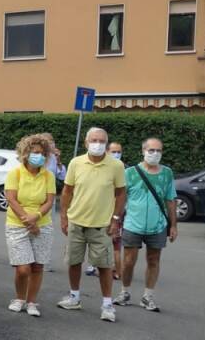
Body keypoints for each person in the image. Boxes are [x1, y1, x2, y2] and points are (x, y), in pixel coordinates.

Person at [56, 127, 127, 322]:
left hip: (102, 226)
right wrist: (64, 217)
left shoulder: (116, 166)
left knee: (105, 266)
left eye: (102, 141)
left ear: (106, 143)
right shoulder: (76, 163)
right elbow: (67, 191)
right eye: (94, 140)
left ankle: (107, 304)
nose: (98, 144)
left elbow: (121, 193)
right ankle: (74, 296)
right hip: (76, 222)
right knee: (73, 262)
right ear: (86, 143)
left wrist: (115, 219)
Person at [117, 137, 177, 312]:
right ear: (143, 151)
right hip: (132, 224)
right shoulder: (130, 173)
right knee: (128, 261)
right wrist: (114, 220)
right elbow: (121, 198)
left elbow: (170, 199)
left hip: (157, 225)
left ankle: (147, 296)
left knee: (154, 260)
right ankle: (124, 292)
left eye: (158, 150)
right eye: (151, 150)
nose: (155, 154)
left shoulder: (167, 173)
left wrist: (173, 225)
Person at [3, 135, 56, 317]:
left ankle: (32, 301)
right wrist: (28, 220)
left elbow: (50, 200)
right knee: (23, 268)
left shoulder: (48, 175)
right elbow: (11, 198)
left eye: (42, 153)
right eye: (35, 153)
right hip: (17, 224)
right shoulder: (15, 173)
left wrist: (37, 216)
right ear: (26, 154)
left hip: (43, 224)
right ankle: (19, 298)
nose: (39, 156)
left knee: (37, 266)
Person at [87, 140, 125, 277]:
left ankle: (116, 272)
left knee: (115, 243)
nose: (116, 154)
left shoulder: (122, 169)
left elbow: (123, 194)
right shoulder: (101, 168)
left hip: (116, 212)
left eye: (119, 152)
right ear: (107, 152)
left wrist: (117, 214)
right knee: (97, 241)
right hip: (98, 212)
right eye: (114, 151)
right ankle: (94, 266)